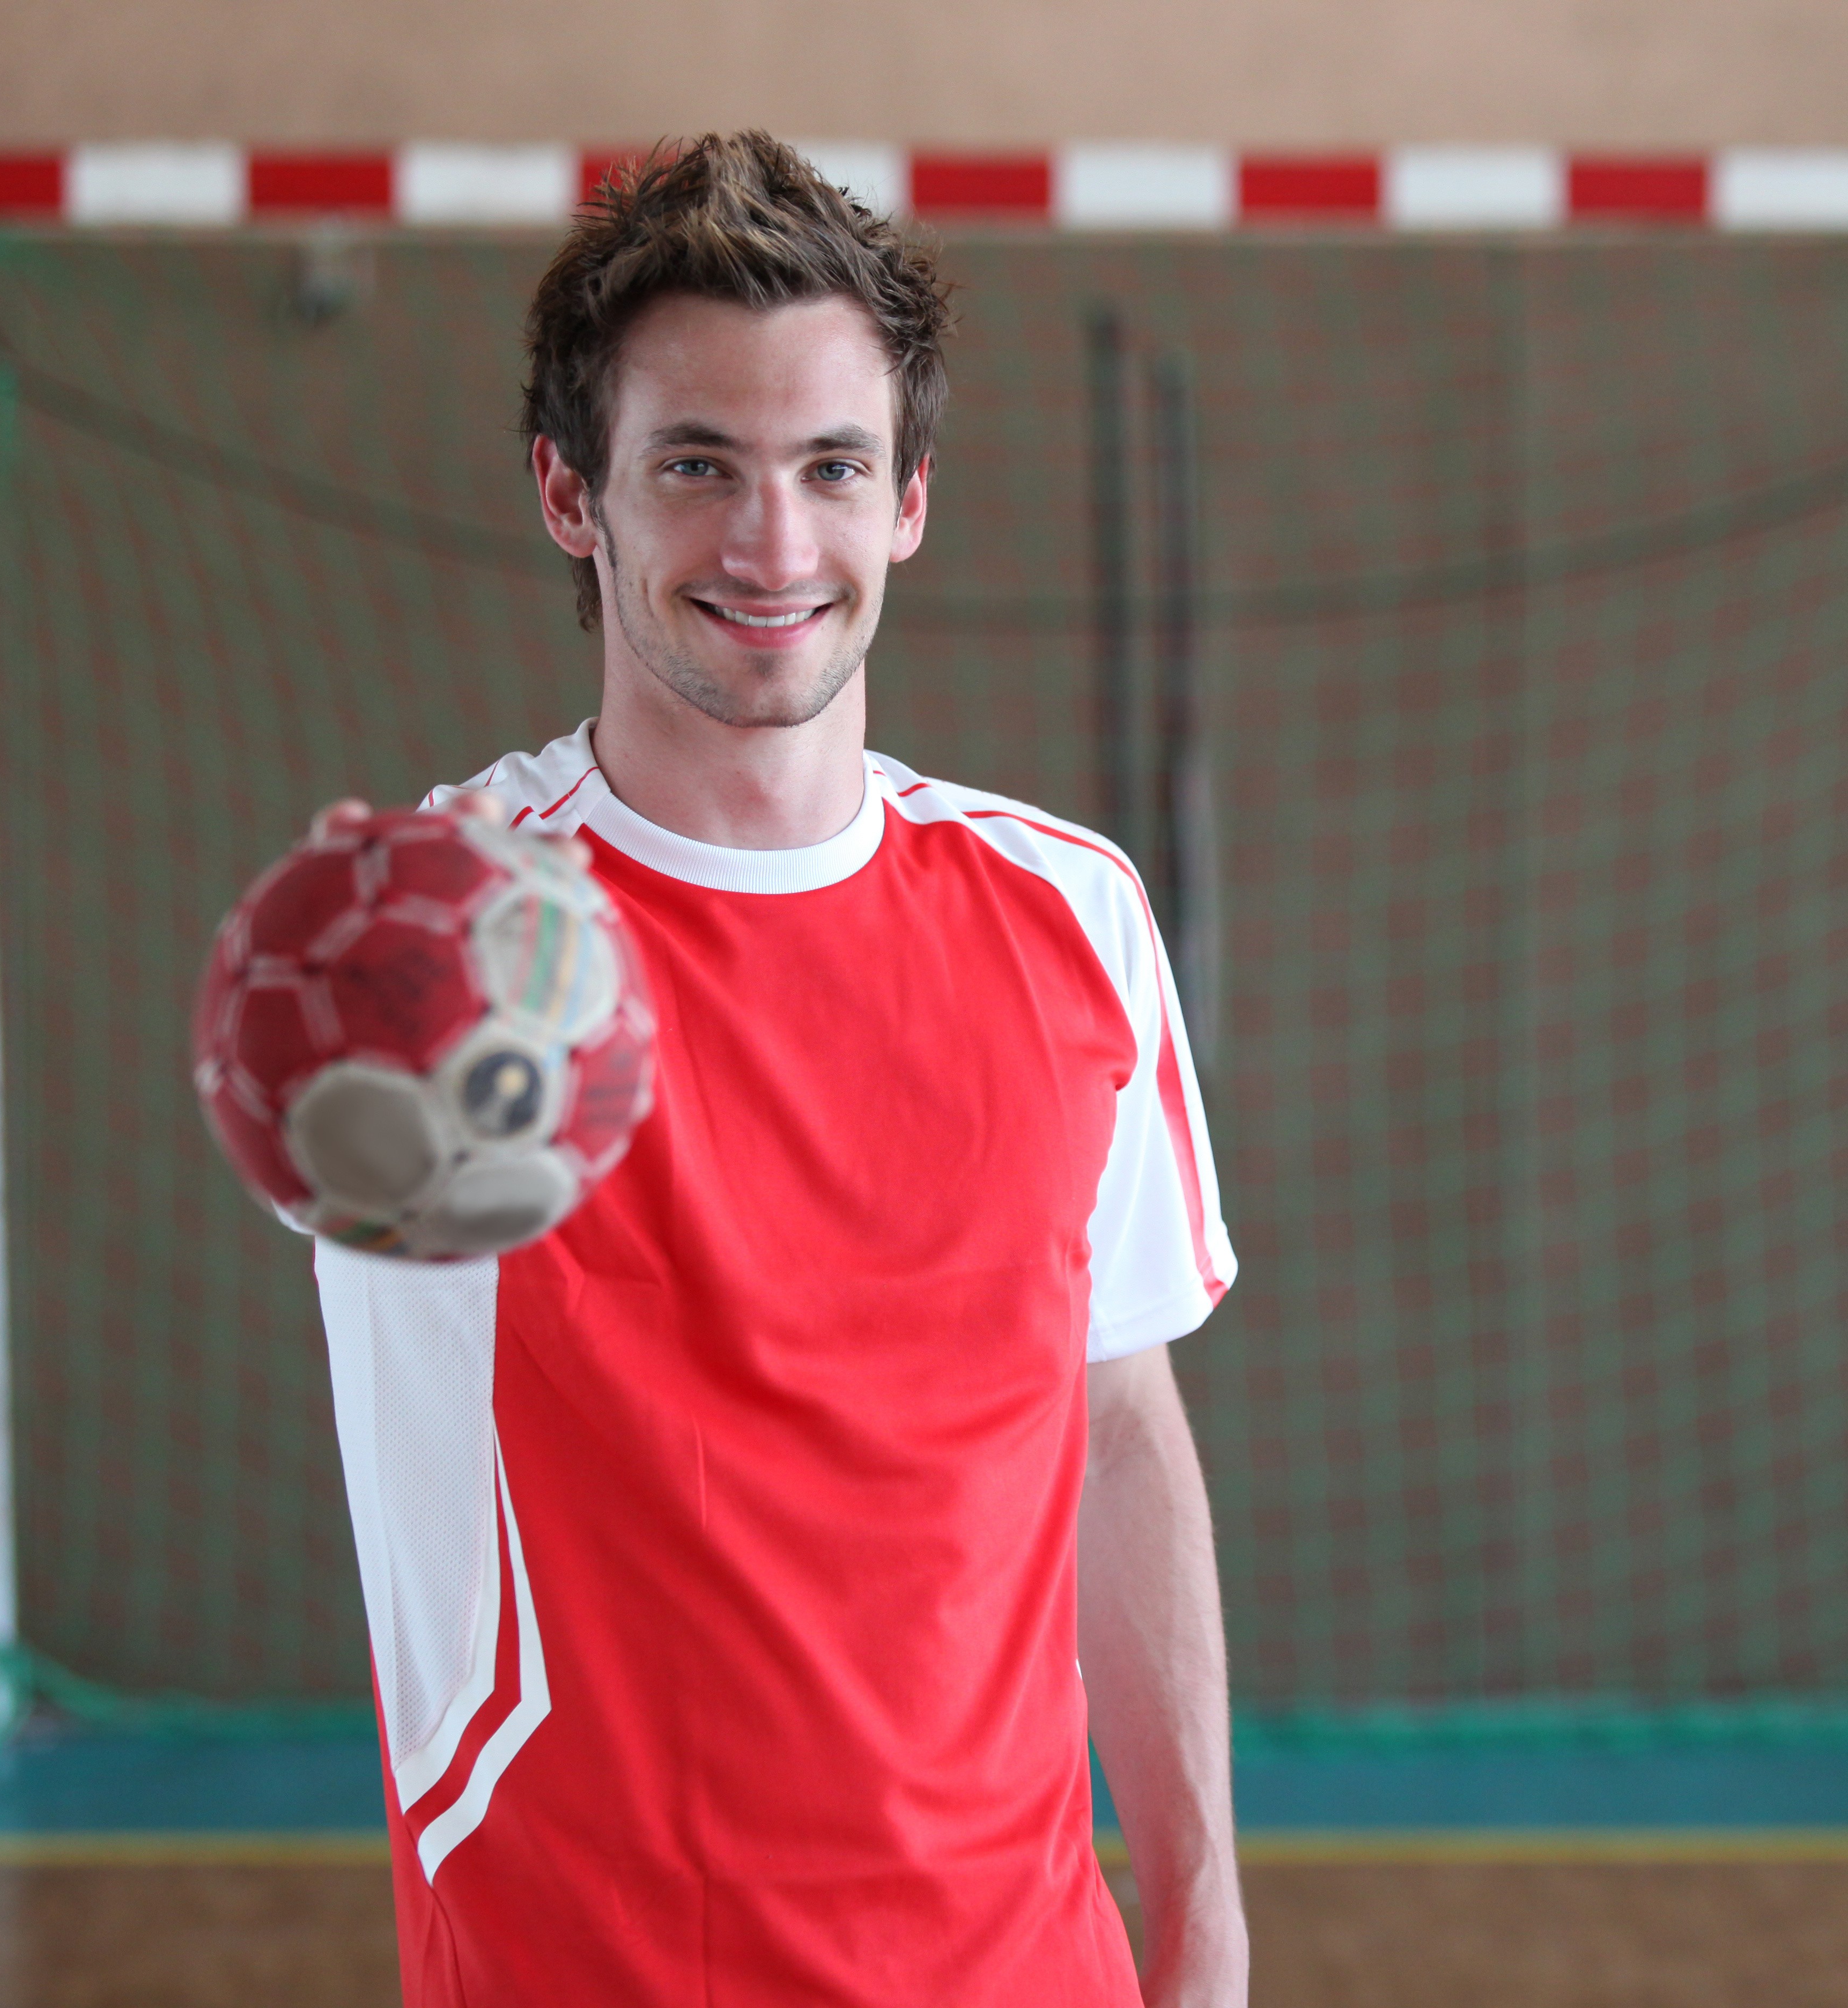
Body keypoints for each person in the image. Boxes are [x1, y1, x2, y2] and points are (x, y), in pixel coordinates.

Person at [310, 131, 1247, 2006]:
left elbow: (1121, 1427)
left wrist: (1202, 1925)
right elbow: (355, 1132)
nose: (771, 544)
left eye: (830, 468)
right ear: (572, 497)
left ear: (909, 500)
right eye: (696, 468)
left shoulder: (1073, 919)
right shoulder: (460, 941)